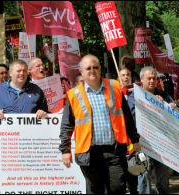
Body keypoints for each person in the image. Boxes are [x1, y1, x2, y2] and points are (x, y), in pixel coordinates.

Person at [59, 54, 141, 194]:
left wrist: (134, 139)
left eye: (95, 67)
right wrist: (65, 150)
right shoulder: (74, 95)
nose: (92, 71)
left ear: (100, 68)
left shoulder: (115, 87)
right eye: (88, 68)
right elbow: (67, 125)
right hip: (88, 153)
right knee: (95, 190)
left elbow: (127, 116)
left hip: (114, 150)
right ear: (81, 72)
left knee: (117, 188)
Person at [128, 66, 177, 194]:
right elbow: (130, 114)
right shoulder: (134, 96)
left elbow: (175, 111)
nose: (151, 81)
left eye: (154, 78)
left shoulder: (163, 95)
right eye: (149, 78)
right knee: (144, 173)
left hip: (162, 142)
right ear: (141, 79)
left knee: (163, 176)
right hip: (143, 142)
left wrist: (170, 106)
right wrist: (152, 104)